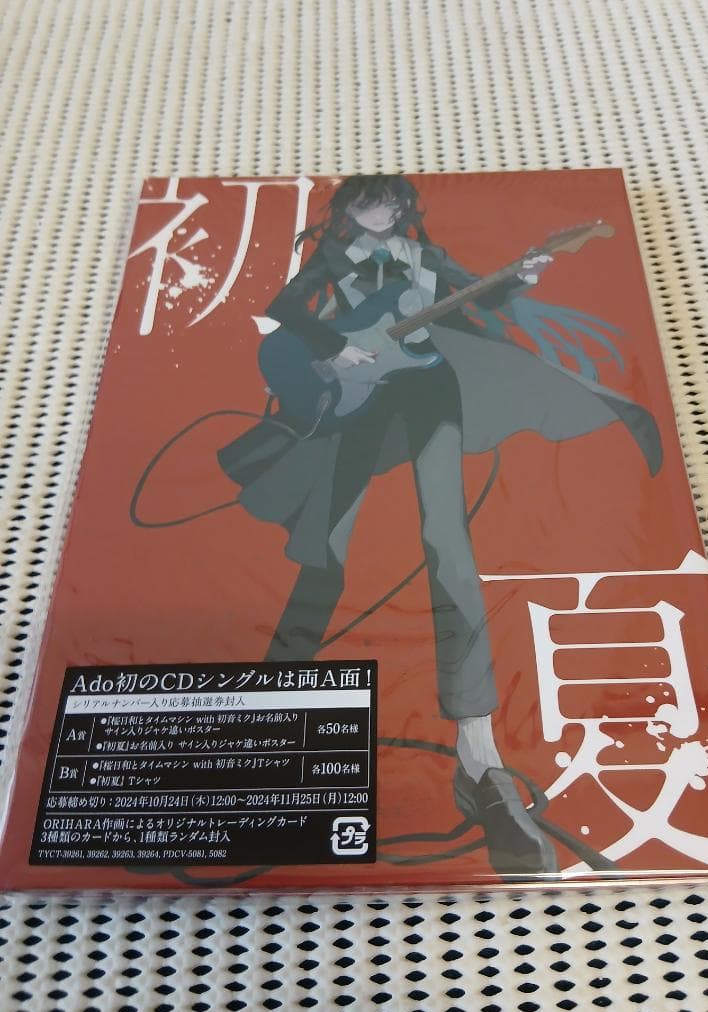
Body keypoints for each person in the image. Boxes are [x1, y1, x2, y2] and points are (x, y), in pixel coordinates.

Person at [218, 174, 662, 877]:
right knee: (326, 550)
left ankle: (479, 758)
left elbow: (476, 296)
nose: (384, 211)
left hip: (429, 389)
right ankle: (266, 717)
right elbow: (283, 309)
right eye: (371, 200)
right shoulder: (331, 260)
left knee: (448, 545)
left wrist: (519, 277)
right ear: (347, 208)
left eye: (393, 202)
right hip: (358, 399)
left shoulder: (425, 256)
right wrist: (333, 348)